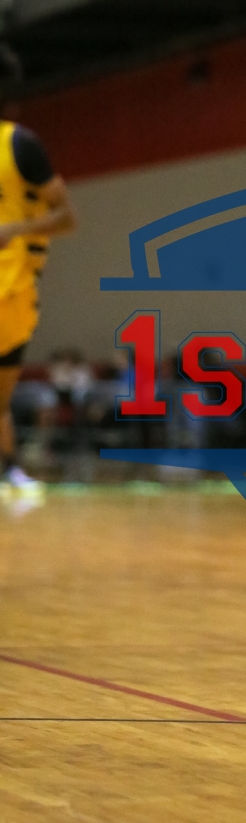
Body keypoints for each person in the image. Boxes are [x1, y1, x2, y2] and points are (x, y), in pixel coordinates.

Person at [0, 47, 77, 496]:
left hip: (11, 290)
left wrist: (15, 229)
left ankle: (10, 469)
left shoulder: (20, 145)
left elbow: (66, 218)